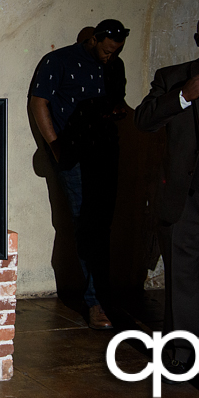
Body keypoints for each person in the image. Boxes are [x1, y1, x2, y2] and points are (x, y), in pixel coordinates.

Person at [135, 8, 199, 376]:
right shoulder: (171, 78)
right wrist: (183, 97)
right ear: (198, 39)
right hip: (185, 203)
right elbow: (143, 120)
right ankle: (182, 355)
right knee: (182, 283)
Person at [28, 19, 129, 330]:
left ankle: (102, 296)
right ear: (93, 41)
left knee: (102, 223)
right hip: (74, 154)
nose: (110, 57)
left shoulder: (115, 65)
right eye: (107, 50)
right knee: (84, 225)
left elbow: (116, 100)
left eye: (116, 52)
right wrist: (55, 146)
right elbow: (38, 102)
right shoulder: (58, 61)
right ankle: (94, 302)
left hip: (106, 152)